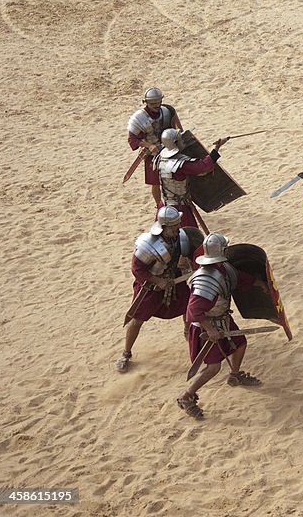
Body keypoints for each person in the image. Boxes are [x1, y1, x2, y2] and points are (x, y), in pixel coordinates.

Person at [176, 233, 263, 420]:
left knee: (240, 344)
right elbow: (193, 311)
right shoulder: (205, 279)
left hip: (222, 319)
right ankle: (186, 396)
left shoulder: (223, 269)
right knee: (213, 367)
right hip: (204, 327)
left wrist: (260, 283)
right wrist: (209, 329)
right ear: (220, 252)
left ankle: (235, 374)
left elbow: (239, 278)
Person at [116, 206, 194, 373]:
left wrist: (186, 267)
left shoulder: (180, 237)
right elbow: (137, 269)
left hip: (175, 281)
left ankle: (188, 331)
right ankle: (126, 353)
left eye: (178, 224)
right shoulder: (148, 244)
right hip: (150, 287)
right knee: (136, 320)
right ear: (164, 227)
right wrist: (157, 280)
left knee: (189, 308)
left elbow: (187, 254)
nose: (178, 228)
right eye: (174, 226)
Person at [154, 129, 229, 229]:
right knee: (188, 236)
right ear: (175, 142)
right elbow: (204, 167)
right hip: (180, 208)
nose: (183, 141)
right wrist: (216, 148)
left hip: (165, 205)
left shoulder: (159, 158)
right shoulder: (181, 163)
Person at [127, 87, 181, 206]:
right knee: (155, 182)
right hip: (152, 155)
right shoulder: (139, 118)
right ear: (146, 102)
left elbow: (176, 129)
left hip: (170, 150)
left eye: (158, 102)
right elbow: (132, 139)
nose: (157, 105)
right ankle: (159, 205)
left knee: (176, 178)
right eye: (153, 103)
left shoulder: (166, 111)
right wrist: (148, 145)